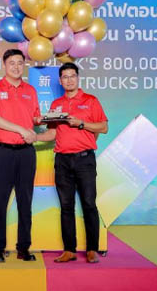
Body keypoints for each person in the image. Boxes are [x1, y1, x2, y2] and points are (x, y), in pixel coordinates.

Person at [40, 62, 108, 264]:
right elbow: (52, 133)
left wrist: (80, 123)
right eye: (65, 77)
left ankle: (92, 249)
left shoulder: (91, 100)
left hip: (84, 160)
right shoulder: (56, 104)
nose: (69, 80)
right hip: (62, 161)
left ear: (78, 78)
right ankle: (69, 250)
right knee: (66, 206)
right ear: (60, 81)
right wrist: (32, 137)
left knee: (89, 204)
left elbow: (103, 127)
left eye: (72, 76)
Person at [0, 49, 42, 263]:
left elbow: (35, 118)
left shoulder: (30, 90)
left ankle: (23, 248)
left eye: (20, 63)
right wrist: (21, 130)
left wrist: (50, 119)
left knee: (25, 202)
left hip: (26, 153)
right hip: (3, 153)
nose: (16, 67)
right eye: (12, 63)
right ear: (4, 65)